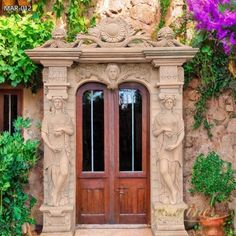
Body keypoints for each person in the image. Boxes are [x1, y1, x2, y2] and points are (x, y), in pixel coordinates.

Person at [41, 96, 74, 206]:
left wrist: (62, 129)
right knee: (54, 173)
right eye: (55, 101)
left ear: (62, 103)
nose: (57, 103)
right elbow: (43, 134)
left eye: (59, 101)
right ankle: (56, 197)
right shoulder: (48, 117)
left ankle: (55, 193)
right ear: (53, 103)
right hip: (51, 149)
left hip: (63, 148)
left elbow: (71, 131)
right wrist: (50, 146)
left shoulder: (66, 117)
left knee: (64, 172)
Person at [152, 95, 184, 204]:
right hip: (162, 146)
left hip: (174, 146)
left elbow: (181, 132)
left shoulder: (177, 116)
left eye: (171, 102)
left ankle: (171, 194)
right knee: (163, 170)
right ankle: (172, 190)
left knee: (173, 172)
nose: (169, 104)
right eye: (167, 102)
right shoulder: (159, 117)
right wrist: (163, 129)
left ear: (173, 103)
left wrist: (175, 145)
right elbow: (154, 132)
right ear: (164, 103)